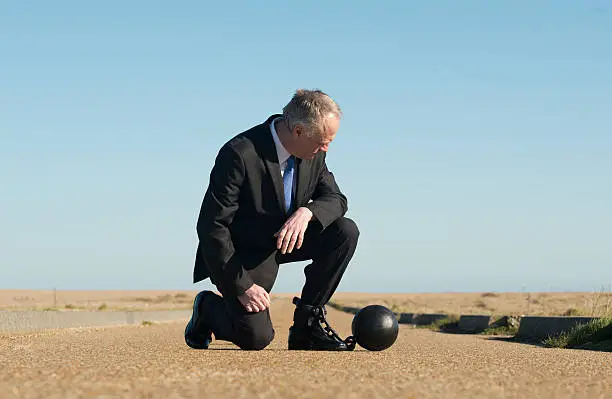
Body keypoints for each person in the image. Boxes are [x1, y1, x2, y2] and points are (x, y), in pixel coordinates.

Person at [184, 89, 359, 351]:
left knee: (345, 232)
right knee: (256, 338)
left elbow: (336, 199)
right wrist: (241, 286)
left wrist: (308, 212)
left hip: (287, 239)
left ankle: (306, 328)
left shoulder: (313, 153)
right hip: (242, 253)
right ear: (298, 131)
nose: (326, 148)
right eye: (323, 141)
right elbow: (212, 226)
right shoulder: (239, 153)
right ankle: (209, 308)